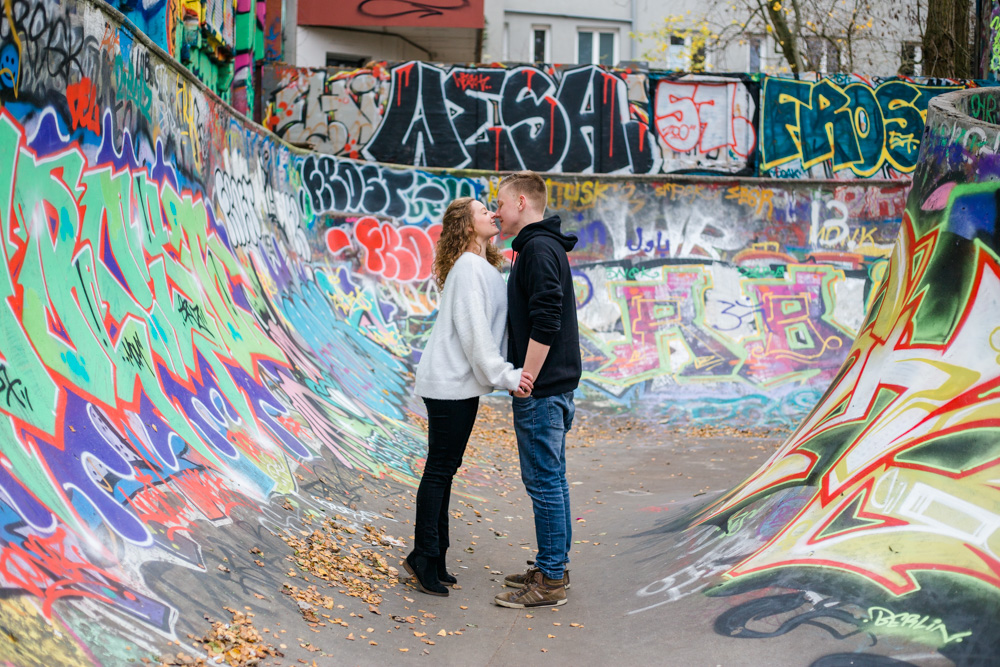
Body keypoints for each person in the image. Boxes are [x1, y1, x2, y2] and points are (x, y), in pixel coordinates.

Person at [408, 197, 535, 596]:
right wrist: (507, 376)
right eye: (484, 212)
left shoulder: (483, 268)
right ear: (466, 225)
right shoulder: (466, 268)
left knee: (446, 467)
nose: (493, 214)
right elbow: (475, 334)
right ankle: (423, 558)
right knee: (440, 469)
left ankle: (435, 556)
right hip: (448, 383)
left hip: (459, 384)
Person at [492, 171, 581, 609]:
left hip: (542, 390)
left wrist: (525, 379)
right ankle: (553, 567)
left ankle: (550, 582)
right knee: (553, 480)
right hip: (552, 387)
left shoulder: (538, 250)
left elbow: (547, 316)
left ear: (522, 202)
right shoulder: (541, 248)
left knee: (544, 482)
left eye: (501, 204)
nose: (497, 212)